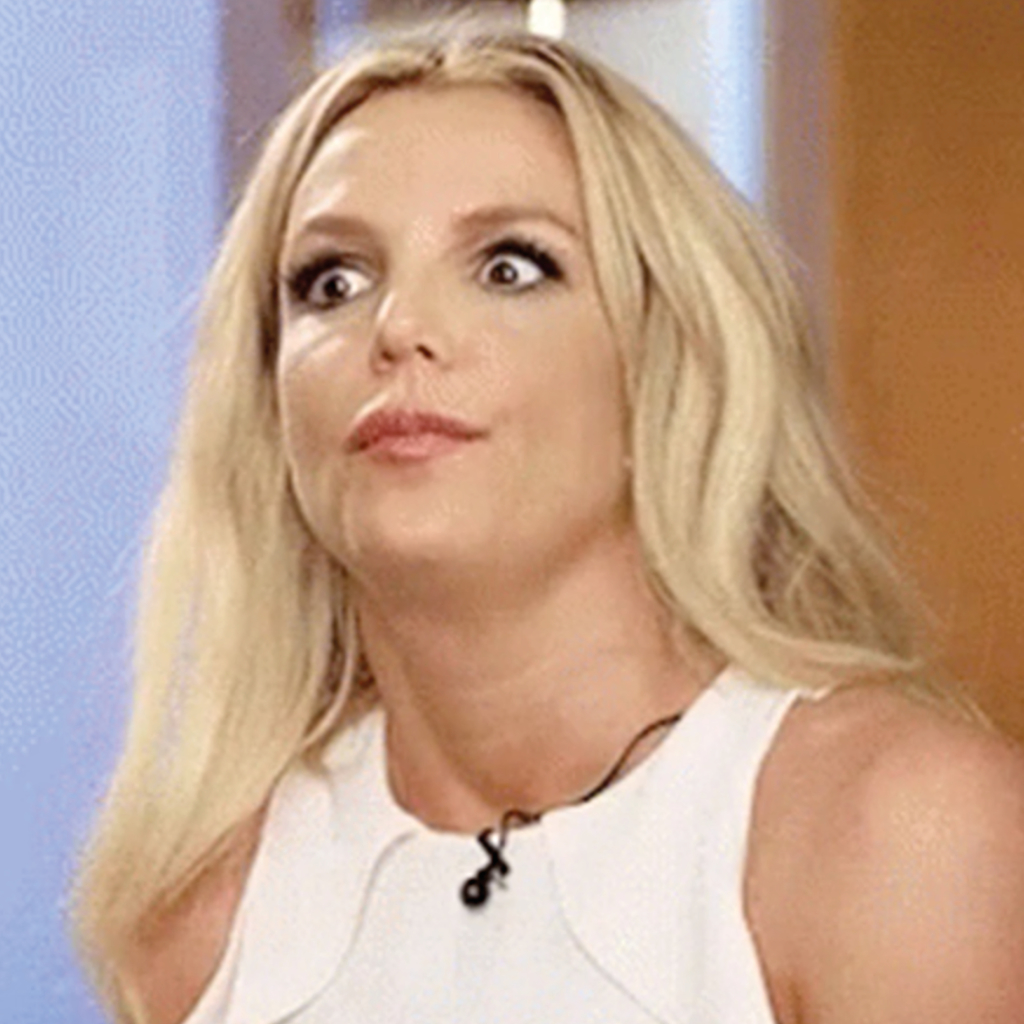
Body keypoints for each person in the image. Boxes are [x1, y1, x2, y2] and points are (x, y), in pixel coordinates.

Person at [70, 22, 1024, 1024]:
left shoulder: (895, 839)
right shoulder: (201, 912)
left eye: (511, 267)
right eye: (333, 282)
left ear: (666, 364)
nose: (398, 328)